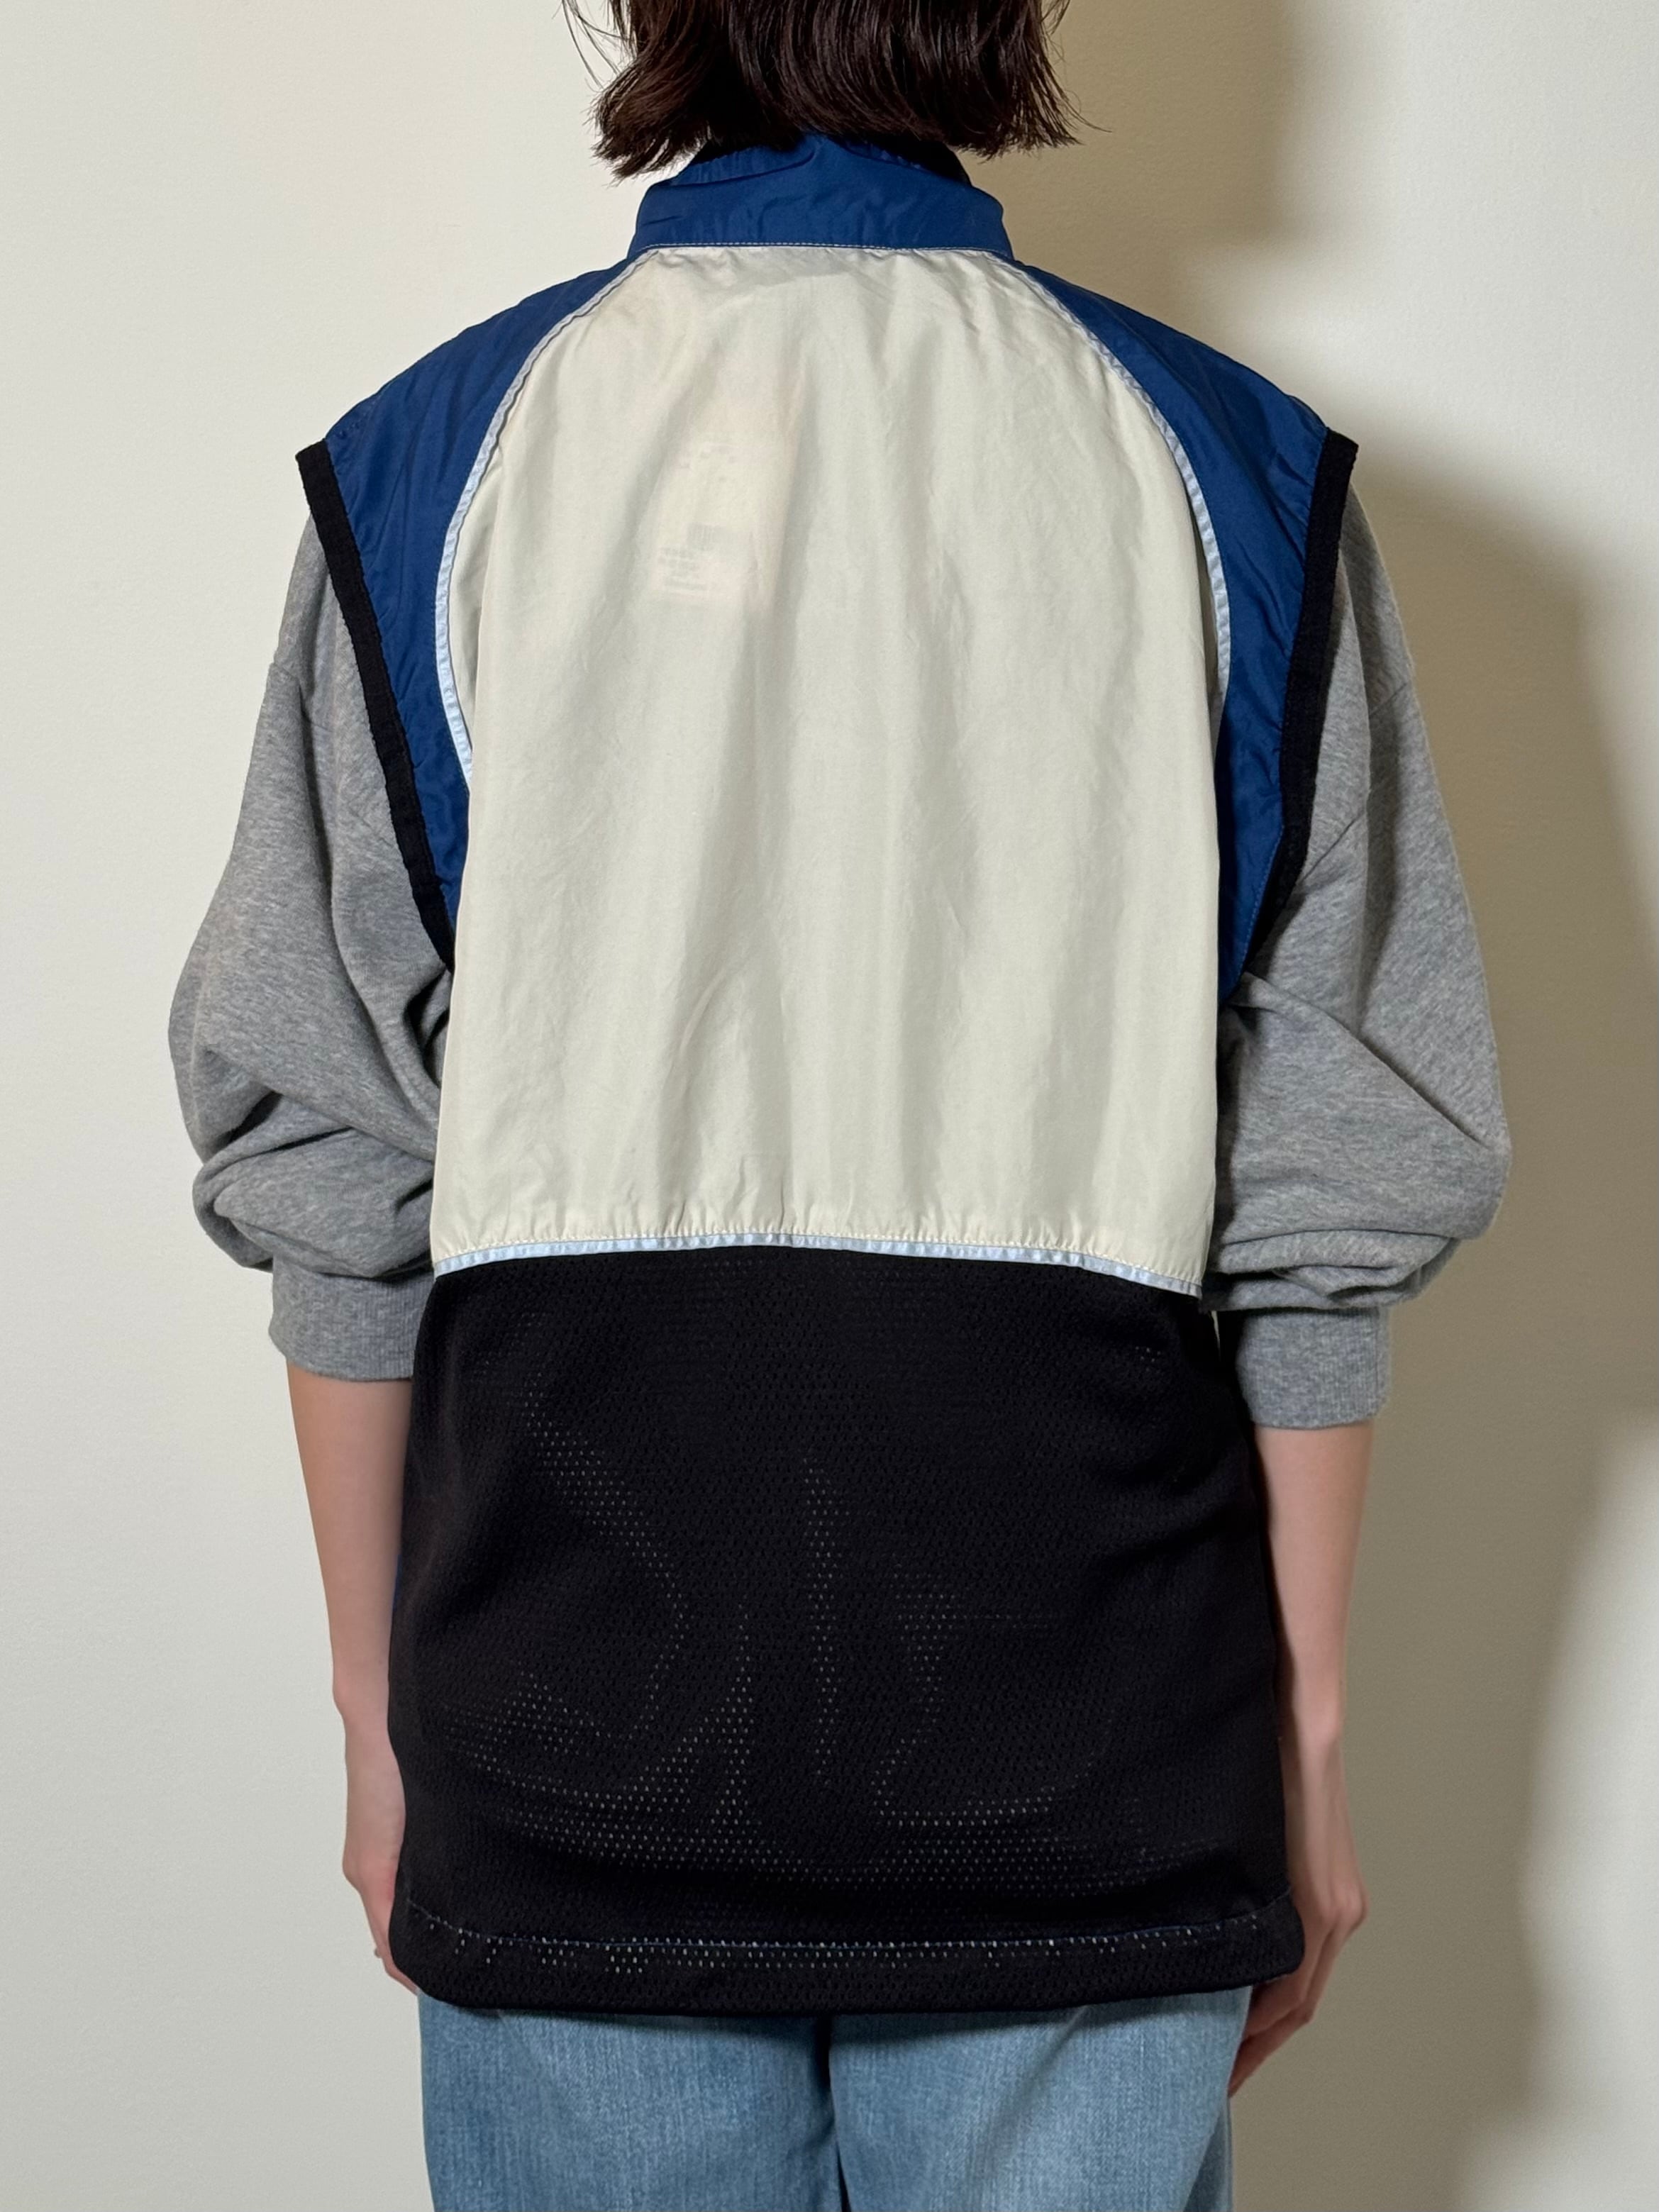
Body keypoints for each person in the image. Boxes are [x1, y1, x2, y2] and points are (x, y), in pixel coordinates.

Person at [168, 3, 1511, 2206]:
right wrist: (1305, 1744)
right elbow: (1329, 1182)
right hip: (1096, 1734)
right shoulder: (1228, 470)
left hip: (570, 1719)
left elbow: (333, 1155)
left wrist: (377, 1725)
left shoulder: (438, 458)